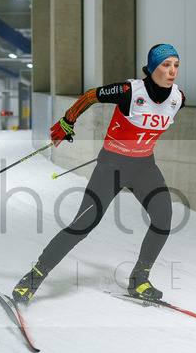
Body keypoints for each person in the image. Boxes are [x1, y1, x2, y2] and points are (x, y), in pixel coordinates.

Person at [12, 43, 185, 305]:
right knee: (83, 224)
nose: (172, 71)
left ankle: (140, 279)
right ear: (151, 68)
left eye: (176, 65)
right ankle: (33, 278)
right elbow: (91, 96)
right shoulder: (129, 91)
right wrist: (68, 121)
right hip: (112, 166)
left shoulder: (178, 98)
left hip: (144, 166)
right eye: (165, 65)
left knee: (163, 219)